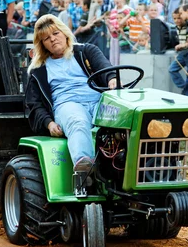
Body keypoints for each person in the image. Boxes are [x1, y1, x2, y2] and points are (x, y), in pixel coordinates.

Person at [25, 14, 118, 173]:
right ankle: (84, 170)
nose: (53, 39)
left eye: (55, 33)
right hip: (67, 104)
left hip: (98, 100)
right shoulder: (38, 70)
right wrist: (49, 123)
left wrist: (112, 79)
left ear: (64, 32)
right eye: (47, 38)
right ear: (43, 44)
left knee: (123, 121)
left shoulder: (86, 51)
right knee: (78, 121)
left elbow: (105, 68)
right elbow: (34, 104)